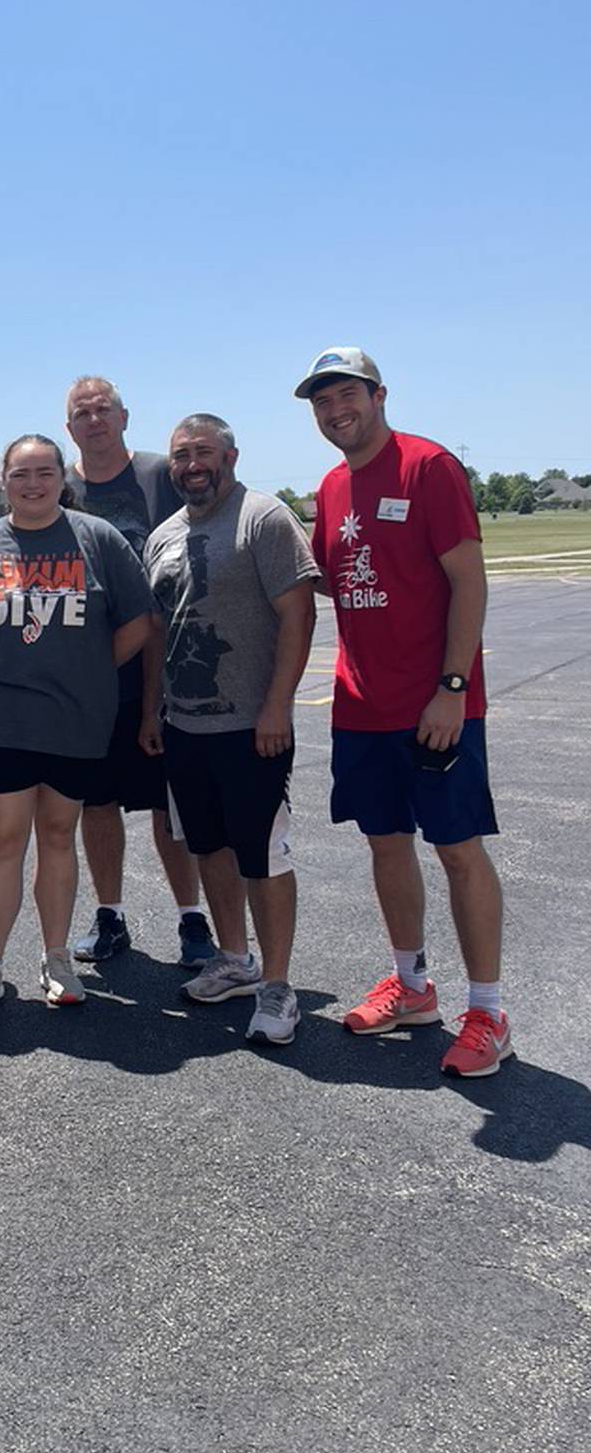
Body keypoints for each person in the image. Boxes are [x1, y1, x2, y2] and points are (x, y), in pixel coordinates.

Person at [296, 346, 511, 1076]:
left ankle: (488, 1011)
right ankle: (413, 987)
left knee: (457, 849)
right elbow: (333, 577)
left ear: (379, 395)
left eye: (345, 395)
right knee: (386, 843)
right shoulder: (330, 487)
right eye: (321, 403)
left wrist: (452, 687)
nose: (334, 412)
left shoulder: (428, 467)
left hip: (435, 704)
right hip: (360, 704)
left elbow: (469, 583)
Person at [0, 434, 152, 1016]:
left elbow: (137, 623)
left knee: (59, 836)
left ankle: (56, 960)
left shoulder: (97, 540)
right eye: (20, 474)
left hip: (77, 723)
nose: (33, 484)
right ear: (4, 480)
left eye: (44, 473)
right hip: (4, 722)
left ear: (63, 478)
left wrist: (88, 669)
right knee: (6, 840)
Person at [142, 415, 319, 1044]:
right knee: (207, 847)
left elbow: (298, 616)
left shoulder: (264, 518)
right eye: (181, 455)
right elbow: (158, 632)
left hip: (251, 726)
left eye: (203, 452)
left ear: (231, 455)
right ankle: (236, 959)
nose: (192, 464)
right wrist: (150, 712)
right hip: (185, 724)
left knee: (263, 855)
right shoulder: (162, 536)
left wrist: (278, 706)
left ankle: (277, 986)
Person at [63, 374, 216, 970]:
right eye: (82, 412)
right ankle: (110, 916)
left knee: (168, 806)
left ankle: (191, 918)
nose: (94, 420)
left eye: (104, 409)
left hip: (169, 669)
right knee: (95, 805)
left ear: (125, 417)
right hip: (91, 677)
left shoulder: (161, 475)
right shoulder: (60, 485)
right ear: (69, 427)